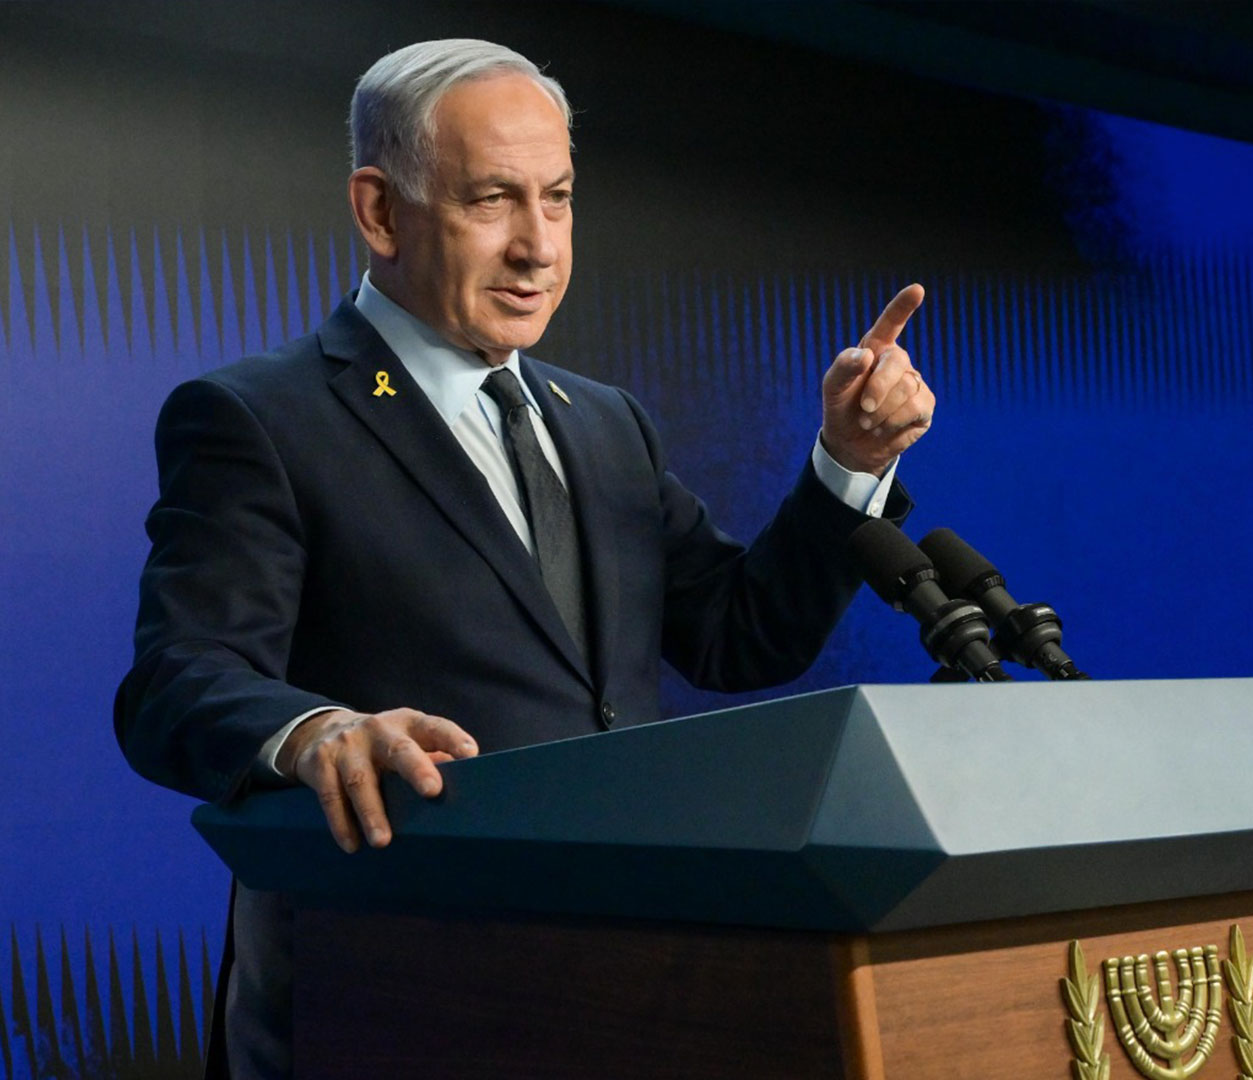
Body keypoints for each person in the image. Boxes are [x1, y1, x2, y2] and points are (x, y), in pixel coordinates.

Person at [112, 39, 935, 1079]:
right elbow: (176, 682)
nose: (538, 247)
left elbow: (740, 636)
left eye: (558, 199)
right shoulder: (260, 418)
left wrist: (849, 462)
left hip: (619, 987)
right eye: (493, 199)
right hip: (383, 996)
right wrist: (319, 733)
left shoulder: (603, 422)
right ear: (380, 211)